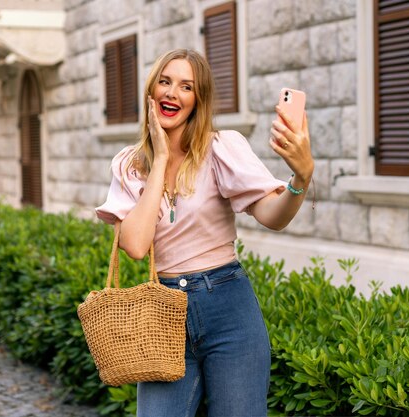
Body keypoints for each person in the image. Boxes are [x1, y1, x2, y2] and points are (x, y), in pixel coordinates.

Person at [95, 49, 314, 417]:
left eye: (186, 86)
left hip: (228, 306)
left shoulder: (220, 149)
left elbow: (273, 216)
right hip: (165, 315)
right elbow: (134, 245)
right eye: (165, 82)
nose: (172, 93)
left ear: (198, 100)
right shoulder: (130, 165)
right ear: (151, 90)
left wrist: (301, 178)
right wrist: (161, 158)